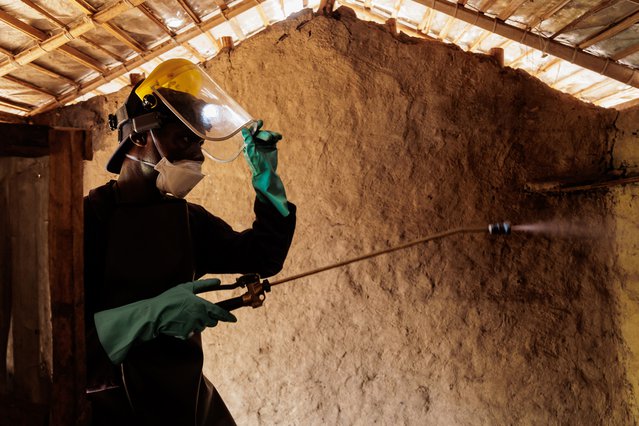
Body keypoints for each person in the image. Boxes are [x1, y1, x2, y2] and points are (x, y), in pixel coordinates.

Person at [83, 59, 296, 425]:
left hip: (185, 399)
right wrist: (150, 315)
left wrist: (267, 180)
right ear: (138, 136)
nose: (196, 155)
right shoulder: (89, 221)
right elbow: (70, 346)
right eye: (183, 139)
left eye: (198, 143)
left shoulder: (186, 219)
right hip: (113, 406)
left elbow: (263, 255)